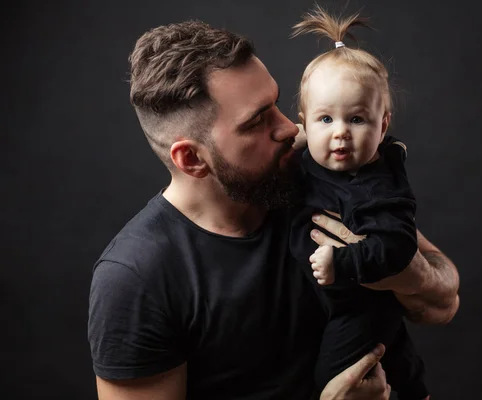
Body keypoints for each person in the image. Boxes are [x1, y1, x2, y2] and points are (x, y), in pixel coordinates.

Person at [87, 18, 460, 400]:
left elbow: (444, 302)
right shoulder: (136, 278)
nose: (289, 128)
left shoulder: (307, 171)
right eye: (257, 121)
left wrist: (403, 273)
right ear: (192, 159)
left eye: (276, 104)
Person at [288, 7, 428, 398]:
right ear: (304, 122)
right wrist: (296, 141)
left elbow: (399, 245)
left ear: (383, 125)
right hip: (321, 298)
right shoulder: (306, 160)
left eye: (357, 120)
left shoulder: (381, 185)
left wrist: (344, 261)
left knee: (333, 377)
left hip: (358, 304)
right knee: (396, 350)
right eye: (325, 120)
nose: (341, 135)